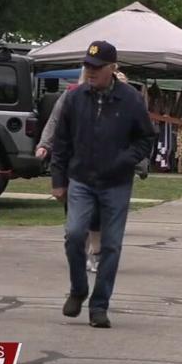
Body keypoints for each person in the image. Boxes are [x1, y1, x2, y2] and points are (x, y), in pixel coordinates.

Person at [51, 41, 156, 328]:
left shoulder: (131, 99)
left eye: (97, 67)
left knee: (111, 245)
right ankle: (78, 289)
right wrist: (58, 180)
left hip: (116, 182)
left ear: (112, 68)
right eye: (87, 65)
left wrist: (125, 160)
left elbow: (146, 137)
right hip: (81, 178)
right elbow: (61, 141)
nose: (91, 71)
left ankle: (99, 305)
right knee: (74, 234)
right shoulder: (74, 98)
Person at [36, 68, 104, 273]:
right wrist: (45, 144)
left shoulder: (111, 97)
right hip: (73, 166)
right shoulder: (70, 96)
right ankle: (80, 253)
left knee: (96, 214)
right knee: (75, 217)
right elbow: (54, 121)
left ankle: (95, 251)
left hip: (100, 166)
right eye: (88, 72)